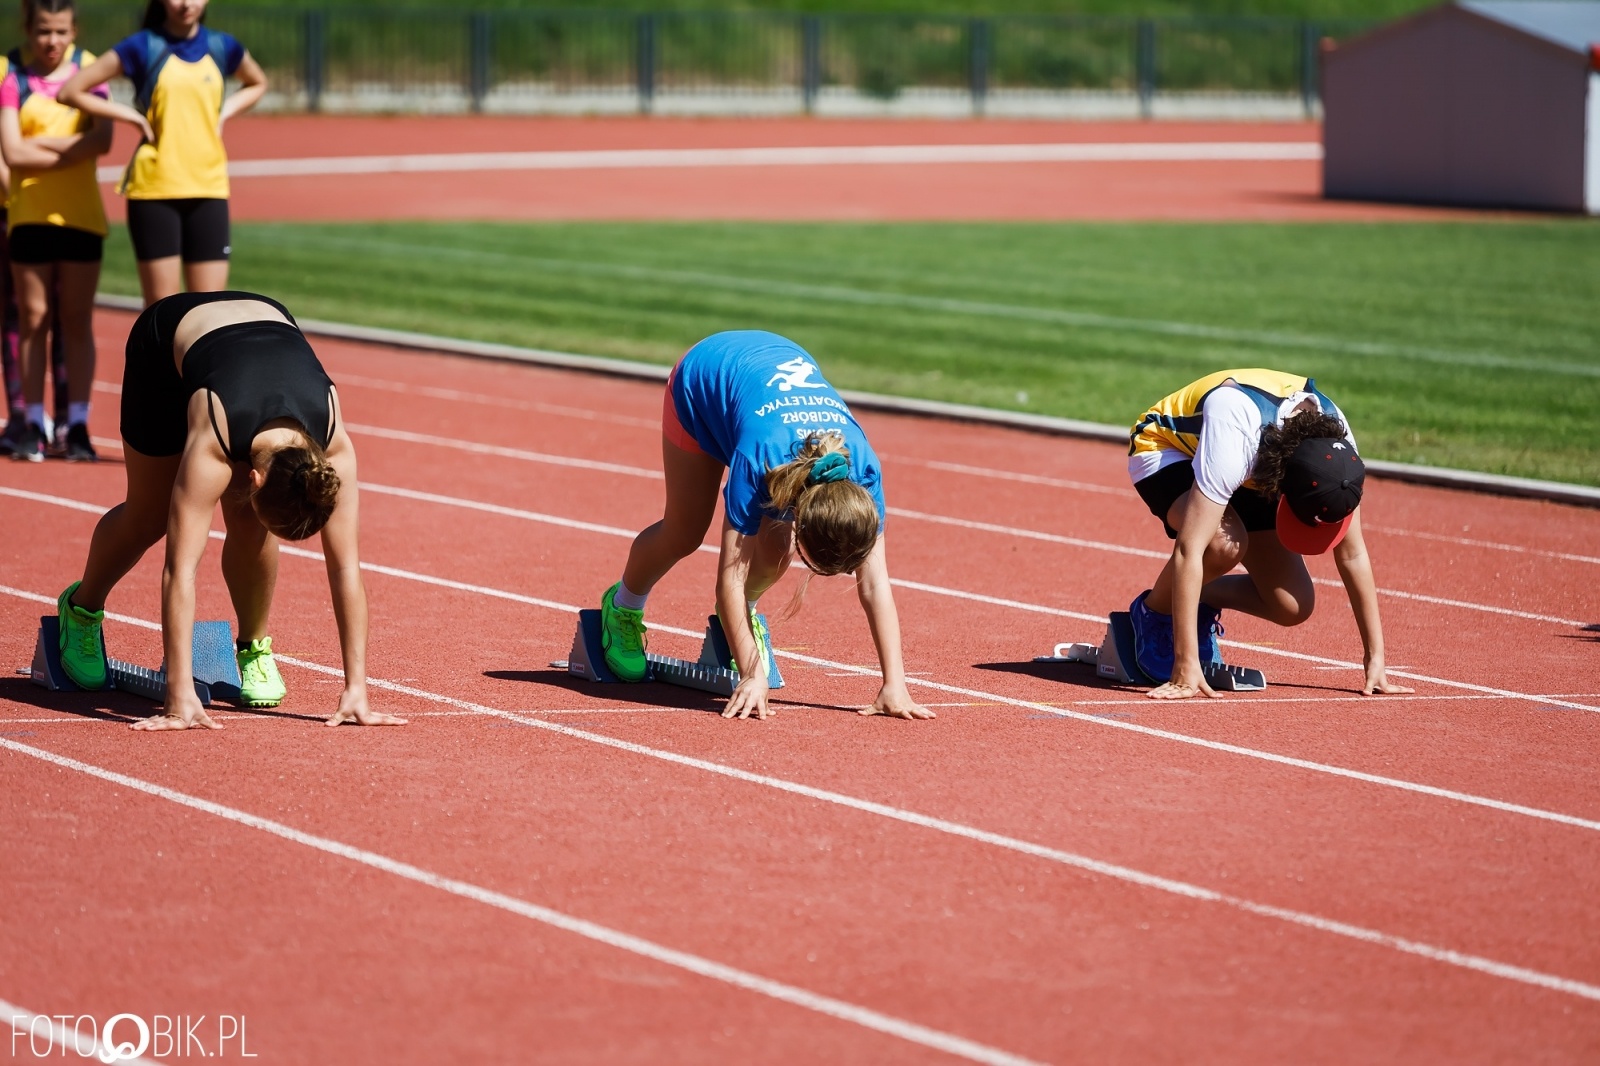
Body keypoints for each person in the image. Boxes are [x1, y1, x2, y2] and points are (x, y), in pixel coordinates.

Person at [51, 291, 405, 731]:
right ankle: (81, 609)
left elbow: (345, 567)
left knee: (250, 526)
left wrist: (357, 689)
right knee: (150, 516)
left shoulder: (331, 450)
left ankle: (253, 646)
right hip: (166, 343)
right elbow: (180, 569)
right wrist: (178, 694)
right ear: (254, 478)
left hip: (257, 330)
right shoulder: (215, 437)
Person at [597, 330, 932, 722]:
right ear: (800, 518)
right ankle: (622, 607)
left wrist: (895, 683)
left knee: (775, 552)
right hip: (704, 378)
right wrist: (751, 673)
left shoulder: (863, 472)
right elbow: (730, 579)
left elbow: (875, 583)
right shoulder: (759, 460)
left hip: (768, 391)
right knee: (684, 532)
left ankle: (743, 617)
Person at [1125, 368, 1413, 700]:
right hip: (1166, 448)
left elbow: (1352, 553)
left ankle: (1198, 598)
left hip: (1254, 461)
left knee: (1291, 605)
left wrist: (1375, 659)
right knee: (1222, 545)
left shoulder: (1339, 452)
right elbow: (1190, 549)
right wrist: (1186, 665)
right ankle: (1153, 612)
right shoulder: (1235, 426)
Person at [59, 0, 266, 305]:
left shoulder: (222, 45)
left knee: (211, 308)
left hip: (208, 186)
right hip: (155, 190)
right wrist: (130, 116)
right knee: (162, 311)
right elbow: (70, 91)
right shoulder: (142, 46)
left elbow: (257, 82)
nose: (186, 3)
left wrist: (225, 112)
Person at [0, 0, 111, 462]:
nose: (53, 41)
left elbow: (103, 139)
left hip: (81, 216)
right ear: (29, 29)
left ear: (74, 30)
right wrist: (71, 150)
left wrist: (41, 147)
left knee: (77, 321)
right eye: (44, 31)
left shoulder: (90, 70)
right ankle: (32, 422)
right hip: (29, 215)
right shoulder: (14, 77)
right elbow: (12, 151)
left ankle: (77, 424)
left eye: (61, 31)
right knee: (33, 320)